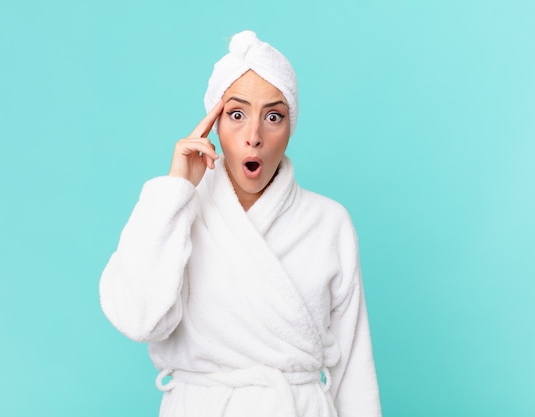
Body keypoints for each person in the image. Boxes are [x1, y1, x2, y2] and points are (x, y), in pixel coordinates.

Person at [99, 30, 382, 417]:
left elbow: (354, 371)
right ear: (213, 124)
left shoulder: (328, 222)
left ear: (290, 126)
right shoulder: (175, 212)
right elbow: (139, 318)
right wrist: (174, 189)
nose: (254, 136)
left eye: (273, 116)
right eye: (236, 114)